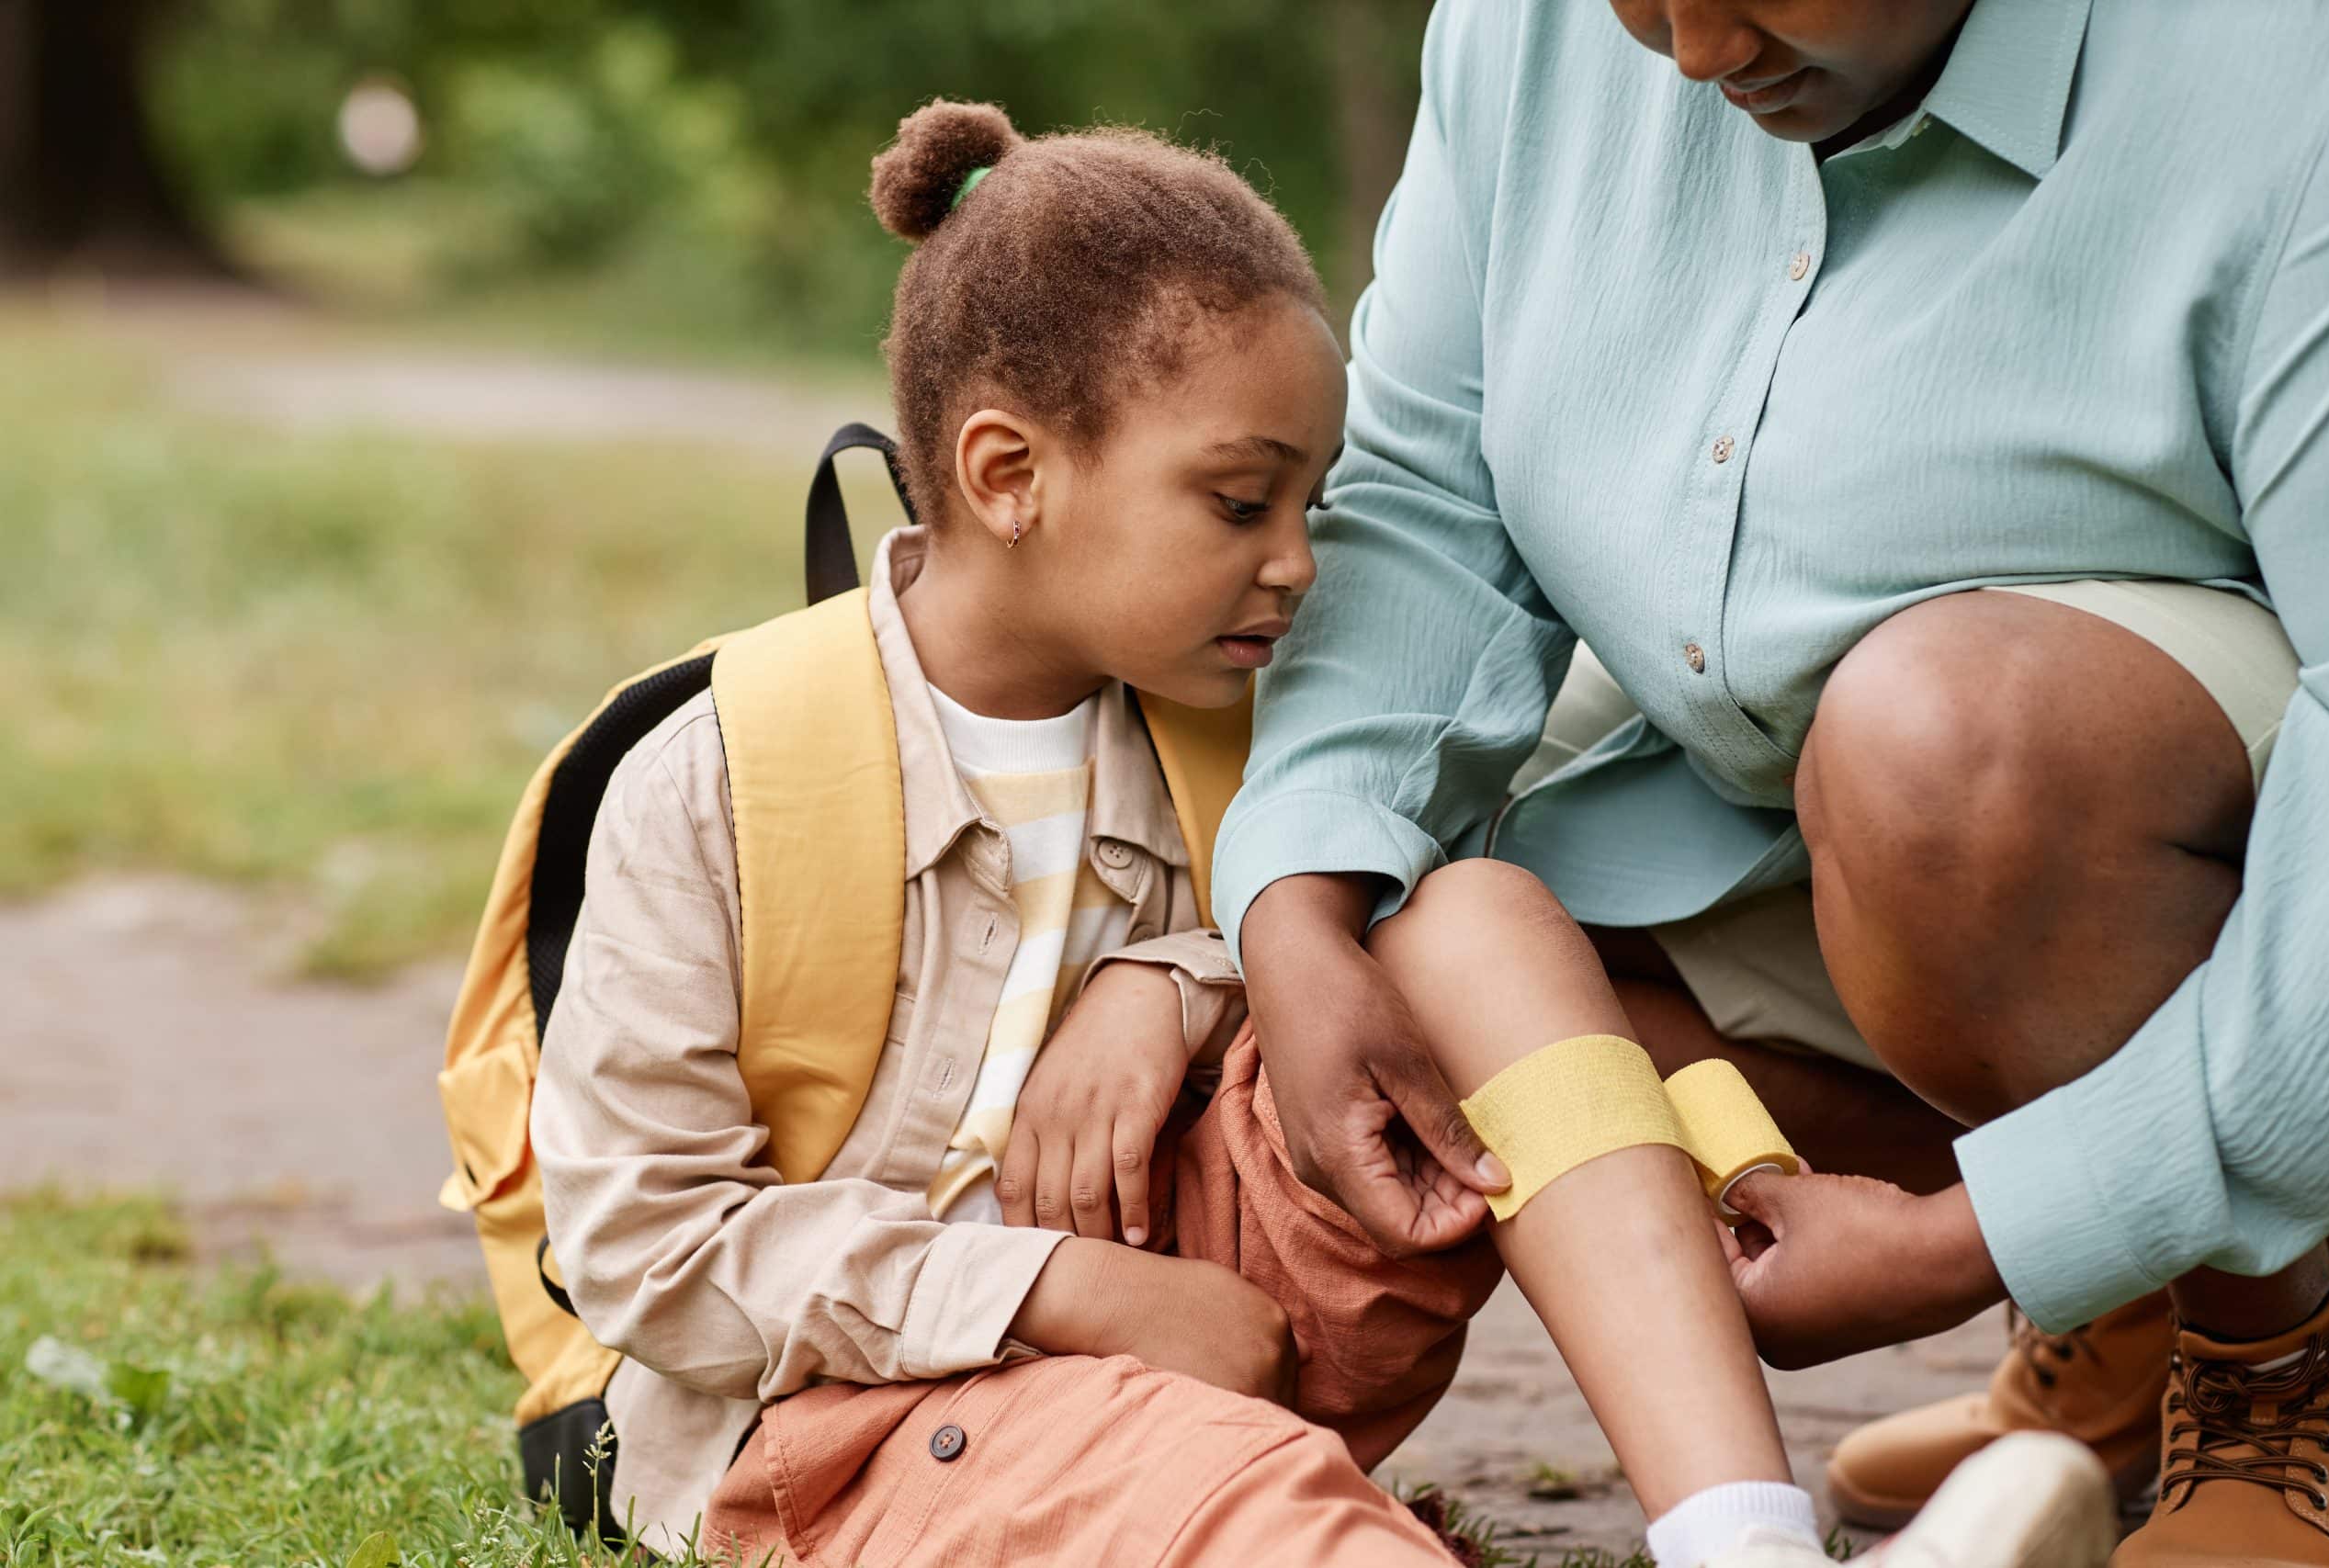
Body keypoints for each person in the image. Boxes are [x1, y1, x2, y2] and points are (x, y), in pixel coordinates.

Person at [529, 98, 2105, 1568]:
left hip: (1232, 1298)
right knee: (1240, 1506)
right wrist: (1072, 1293)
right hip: (864, 1411)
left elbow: (1411, 943)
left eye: (1316, 505)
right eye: (1239, 504)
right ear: (1007, 474)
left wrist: (1180, 976)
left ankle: (1738, 1536)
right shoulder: (718, 780)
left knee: (1467, 917)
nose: (1298, 565)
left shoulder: (1241, 724)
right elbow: (645, 1238)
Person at [1215, 3, 2329, 1565]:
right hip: (1776, 828)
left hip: (2220, 862)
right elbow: (1420, 503)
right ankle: (1802, 1507)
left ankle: (2283, 1350)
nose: (1687, 51)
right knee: (1436, 948)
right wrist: (1294, 907)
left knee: (1945, 752)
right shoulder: (1526, 31)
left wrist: (1984, 1237)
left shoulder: (2295, 76)